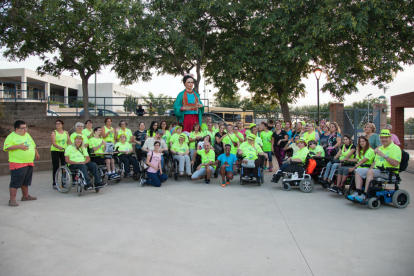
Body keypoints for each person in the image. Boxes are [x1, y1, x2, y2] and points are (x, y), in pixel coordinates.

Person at [348, 129, 401, 202]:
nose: (384, 139)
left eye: (386, 137)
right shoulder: (381, 148)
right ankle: (358, 192)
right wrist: (370, 170)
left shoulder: (396, 148)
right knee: (358, 170)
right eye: (382, 137)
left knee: (370, 172)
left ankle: (365, 195)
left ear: (390, 138)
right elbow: (374, 162)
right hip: (378, 170)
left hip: (389, 172)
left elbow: (396, 163)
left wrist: (384, 155)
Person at [5, 120, 40, 206]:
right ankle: (12, 199)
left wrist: (36, 152)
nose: (25, 130)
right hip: (17, 162)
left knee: (26, 180)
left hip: (28, 162)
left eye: (26, 127)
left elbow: (32, 144)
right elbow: (6, 147)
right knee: (16, 180)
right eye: (23, 128)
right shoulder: (11, 136)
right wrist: (19, 146)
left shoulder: (27, 135)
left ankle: (25, 196)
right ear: (17, 129)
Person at [51, 119, 70, 190]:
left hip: (64, 151)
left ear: (62, 125)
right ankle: (55, 183)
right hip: (55, 151)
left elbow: (69, 141)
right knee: (55, 167)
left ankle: (64, 182)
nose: (57, 125)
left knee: (64, 167)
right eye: (56, 124)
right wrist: (59, 147)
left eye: (59, 124)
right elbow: (53, 142)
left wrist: (73, 146)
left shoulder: (66, 132)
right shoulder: (54, 132)